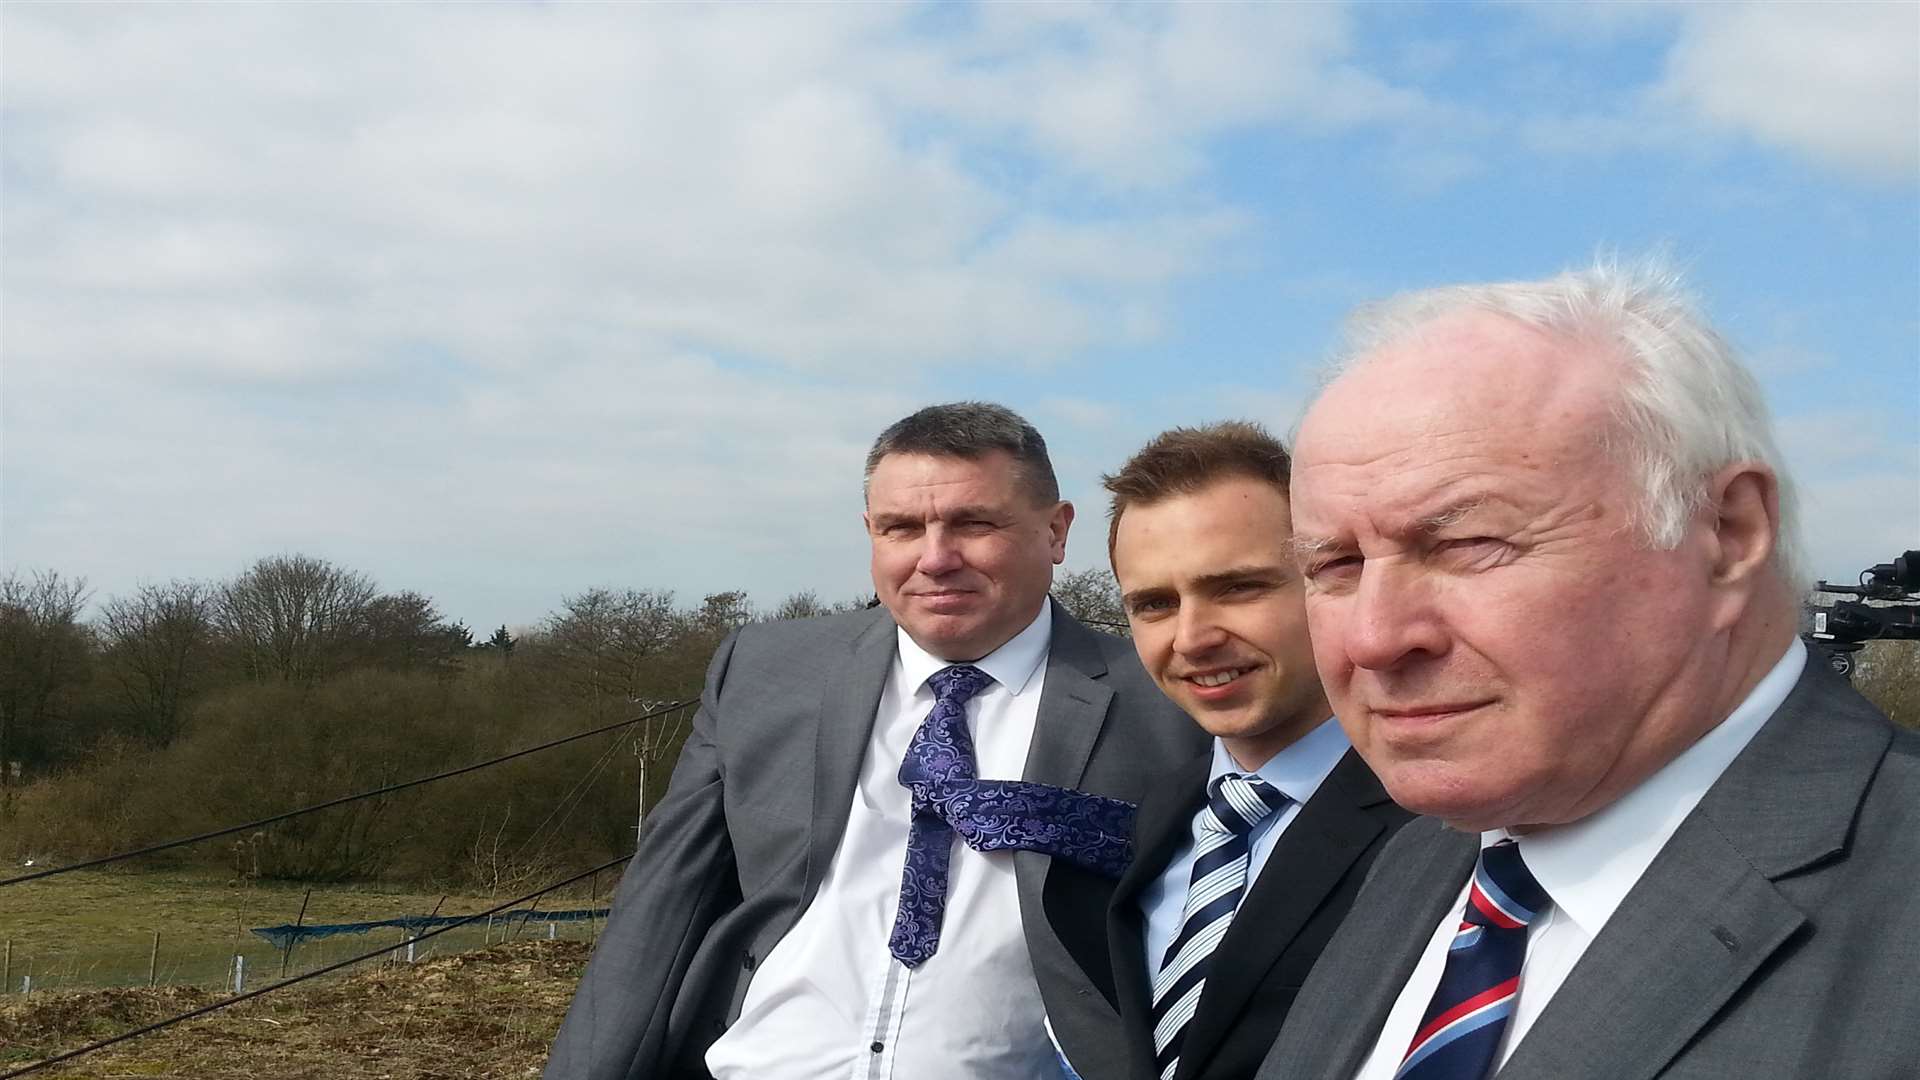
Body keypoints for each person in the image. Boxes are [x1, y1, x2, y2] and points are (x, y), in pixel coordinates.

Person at [1256, 264, 1920, 1080]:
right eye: (1334, 564)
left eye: (1467, 545)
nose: (1373, 638)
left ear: (1728, 533)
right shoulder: (1420, 859)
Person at [545, 401, 1204, 1080]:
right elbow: (658, 913)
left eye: (974, 524)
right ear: (870, 532)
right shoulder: (764, 673)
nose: (935, 558)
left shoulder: (1170, 699)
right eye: (901, 528)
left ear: (1057, 531)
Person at [1044, 422, 1412, 1080]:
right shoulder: (1160, 815)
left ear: (1330, 580)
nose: (1193, 637)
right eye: (1154, 604)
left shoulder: (1438, 822)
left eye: (1237, 587)